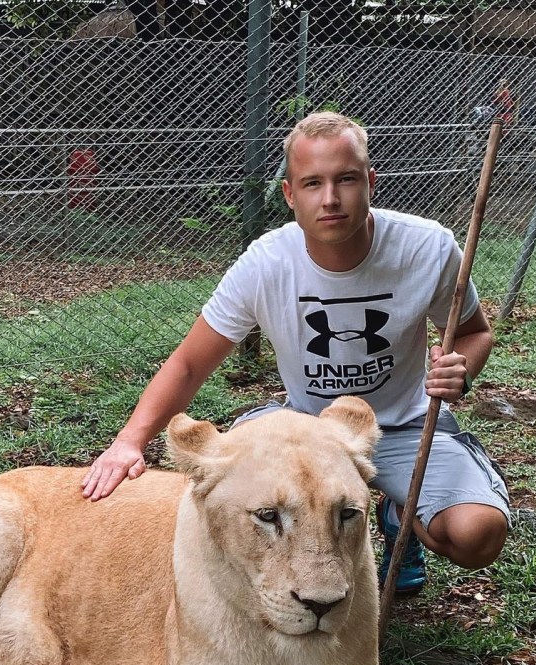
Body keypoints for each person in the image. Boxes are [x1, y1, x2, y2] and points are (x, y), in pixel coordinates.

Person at [81, 111, 509, 594]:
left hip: (405, 425)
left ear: (370, 181)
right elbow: (188, 363)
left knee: (477, 535)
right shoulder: (266, 263)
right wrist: (129, 441)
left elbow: (476, 332)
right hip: (304, 427)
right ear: (290, 194)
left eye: (346, 179)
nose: (330, 198)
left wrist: (462, 368)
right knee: (226, 500)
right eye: (312, 183)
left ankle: (398, 515)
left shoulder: (428, 248)